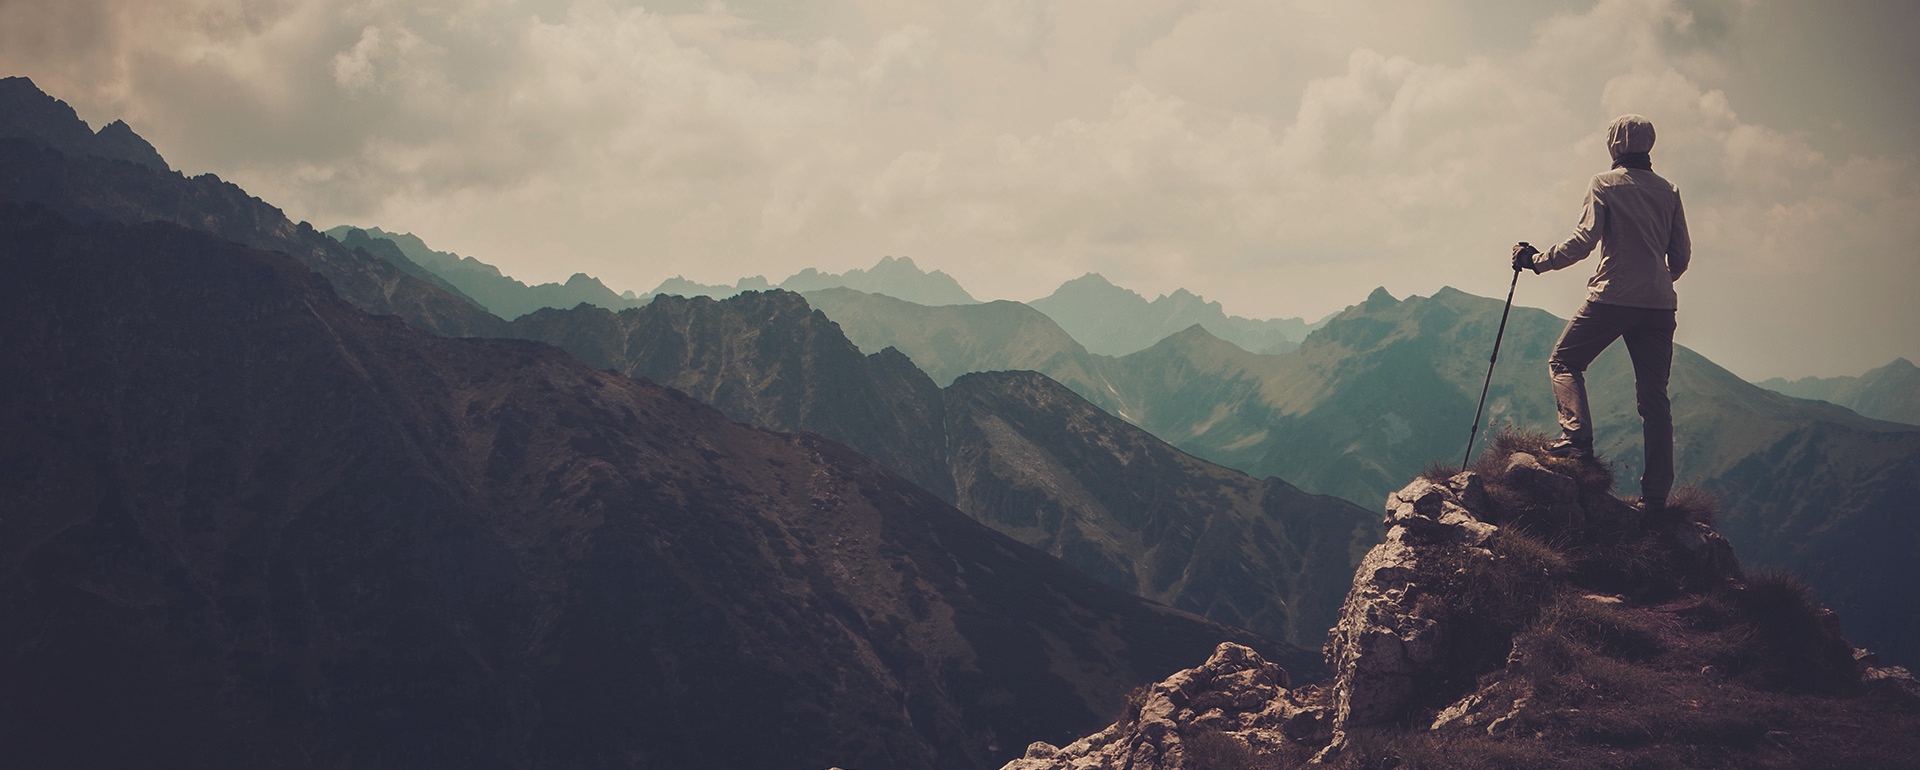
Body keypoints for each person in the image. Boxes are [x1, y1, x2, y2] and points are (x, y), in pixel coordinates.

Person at [1511, 114, 1691, 515]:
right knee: (1654, 400)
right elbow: (1680, 256)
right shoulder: (1670, 190)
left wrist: (1536, 261)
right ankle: (1656, 497)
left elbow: (1583, 241)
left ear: (1614, 145)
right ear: (1649, 146)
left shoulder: (1604, 184)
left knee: (1564, 360)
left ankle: (1577, 442)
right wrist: (1658, 280)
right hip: (1660, 305)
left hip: (1612, 297)